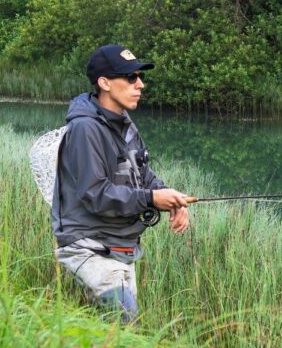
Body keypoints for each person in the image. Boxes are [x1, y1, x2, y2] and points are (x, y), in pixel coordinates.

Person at [52, 44, 192, 323]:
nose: (139, 84)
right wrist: (152, 199)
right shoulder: (85, 129)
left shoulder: (125, 122)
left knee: (118, 340)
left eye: (140, 77)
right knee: (125, 317)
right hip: (89, 246)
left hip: (121, 247)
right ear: (104, 83)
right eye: (130, 77)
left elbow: (143, 174)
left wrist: (170, 198)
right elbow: (95, 194)